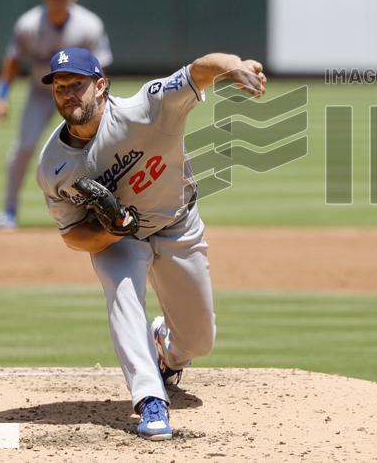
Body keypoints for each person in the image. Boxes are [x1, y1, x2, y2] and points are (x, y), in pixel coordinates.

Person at [35, 46, 266, 440]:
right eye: (60, 87)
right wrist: (113, 231)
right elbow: (73, 235)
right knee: (121, 292)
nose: (69, 93)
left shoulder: (148, 107)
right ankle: (150, 401)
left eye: (77, 84)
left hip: (179, 224)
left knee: (199, 341)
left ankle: (169, 350)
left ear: (101, 86)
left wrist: (235, 67)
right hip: (120, 243)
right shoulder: (53, 166)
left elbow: (197, 70)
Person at [0, 0, 113, 230]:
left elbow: (101, 70)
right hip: (41, 94)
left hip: (82, 96)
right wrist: (2, 96)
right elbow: (12, 62)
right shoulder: (28, 24)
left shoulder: (89, 25)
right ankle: (9, 211)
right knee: (24, 148)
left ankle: (103, 211)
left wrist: (102, 103)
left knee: (98, 149)